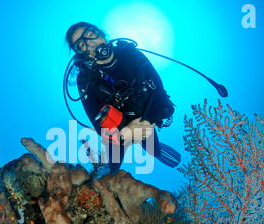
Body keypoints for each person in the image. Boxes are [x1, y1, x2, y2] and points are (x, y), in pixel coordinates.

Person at [65, 22, 181, 174]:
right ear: (80, 53)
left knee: (153, 150)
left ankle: (158, 152)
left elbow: (159, 90)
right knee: (112, 168)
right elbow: (96, 119)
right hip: (117, 128)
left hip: (144, 116)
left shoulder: (133, 55)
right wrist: (122, 133)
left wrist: (148, 120)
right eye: (81, 44)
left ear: (101, 33)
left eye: (91, 34)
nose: (90, 43)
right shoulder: (85, 79)